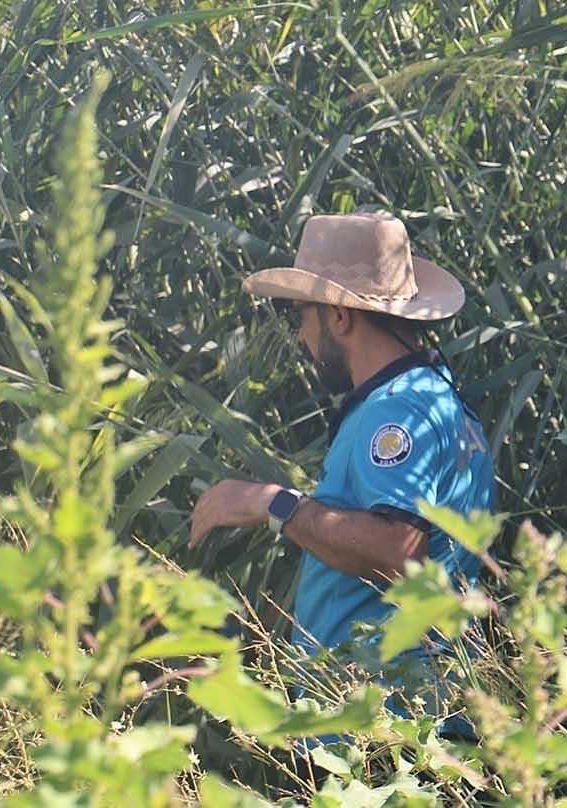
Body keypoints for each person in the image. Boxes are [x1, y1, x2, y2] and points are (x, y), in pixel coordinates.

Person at [187, 211, 493, 677]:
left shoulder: (397, 411)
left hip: (382, 725)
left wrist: (274, 505)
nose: (300, 336)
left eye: (300, 315)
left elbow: (399, 550)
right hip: (417, 714)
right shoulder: (439, 399)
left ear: (338, 315)